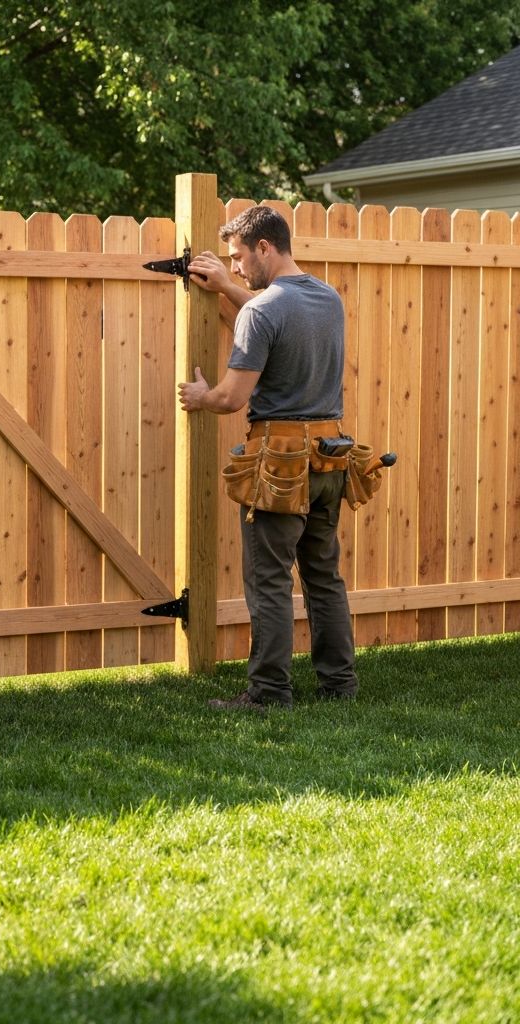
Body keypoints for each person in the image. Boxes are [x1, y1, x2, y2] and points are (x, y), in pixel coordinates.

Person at [178, 205, 358, 712]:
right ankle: (338, 684)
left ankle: (269, 692)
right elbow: (274, 316)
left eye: (238, 258)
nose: (235, 268)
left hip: (279, 465)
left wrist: (200, 395)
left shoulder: (262, 310)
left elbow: (233, 397)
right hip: (329, 460)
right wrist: (228, 291)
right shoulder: (327, 298)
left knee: (270, 579)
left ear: (264, 247)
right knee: (323, 577)